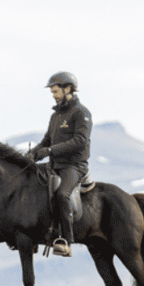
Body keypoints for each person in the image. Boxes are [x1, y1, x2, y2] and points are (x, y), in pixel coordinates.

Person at [29, 71, 92, 256]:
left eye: (56, 92)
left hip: (74, 166)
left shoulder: (81, 113)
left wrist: (49, 151)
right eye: (52, 93)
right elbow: (46, 141)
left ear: (68, 89)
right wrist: (32, 155)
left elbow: (80, 141)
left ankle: (66, 241)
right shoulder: (55, 116)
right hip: (54, 165)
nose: (54, 96)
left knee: (62, 195)